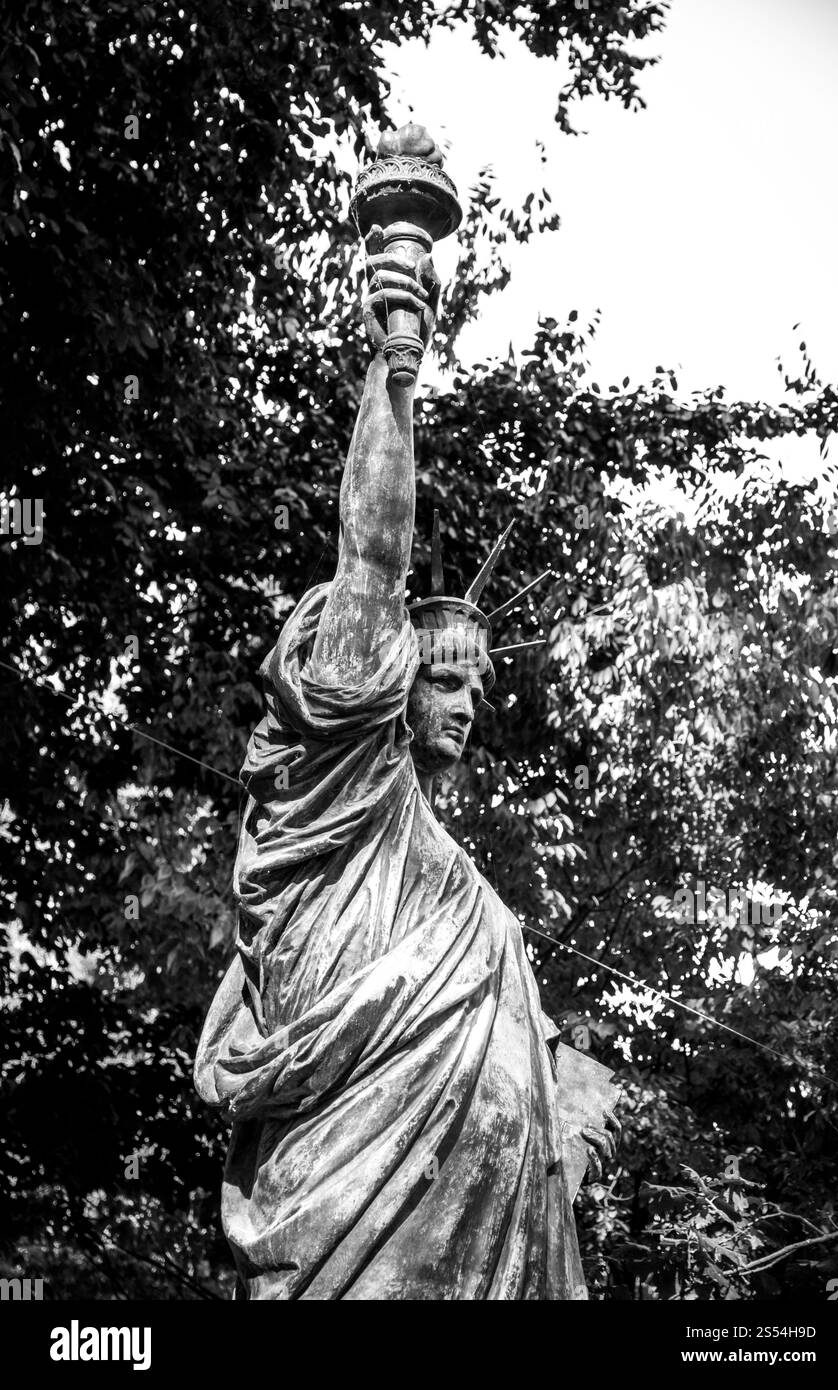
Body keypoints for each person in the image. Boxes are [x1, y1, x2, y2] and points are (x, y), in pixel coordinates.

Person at [195, 230, 616, 1300]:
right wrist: (397, 361)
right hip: (349, 1217)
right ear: (381, 684)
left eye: (473, 688)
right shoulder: (346, 785)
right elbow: (371, 552)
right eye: (441, 681)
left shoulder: (459, 886)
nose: (463, 706)